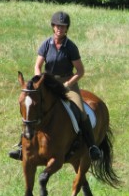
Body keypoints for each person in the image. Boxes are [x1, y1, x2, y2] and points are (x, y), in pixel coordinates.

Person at [9, 11, 102, 161]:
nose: (60, 29)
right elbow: (37, 66)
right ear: (53, 27)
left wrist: (68, 84)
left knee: (81, 111)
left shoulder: (71, 47)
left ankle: (92, 147)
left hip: (68, 84)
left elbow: (80, 71)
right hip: (48, 83)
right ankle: (21, 147)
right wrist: (39, 80)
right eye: (57, 26)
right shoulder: (46, 44)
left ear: (66, 28)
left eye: (63, 26)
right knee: (31, 108)